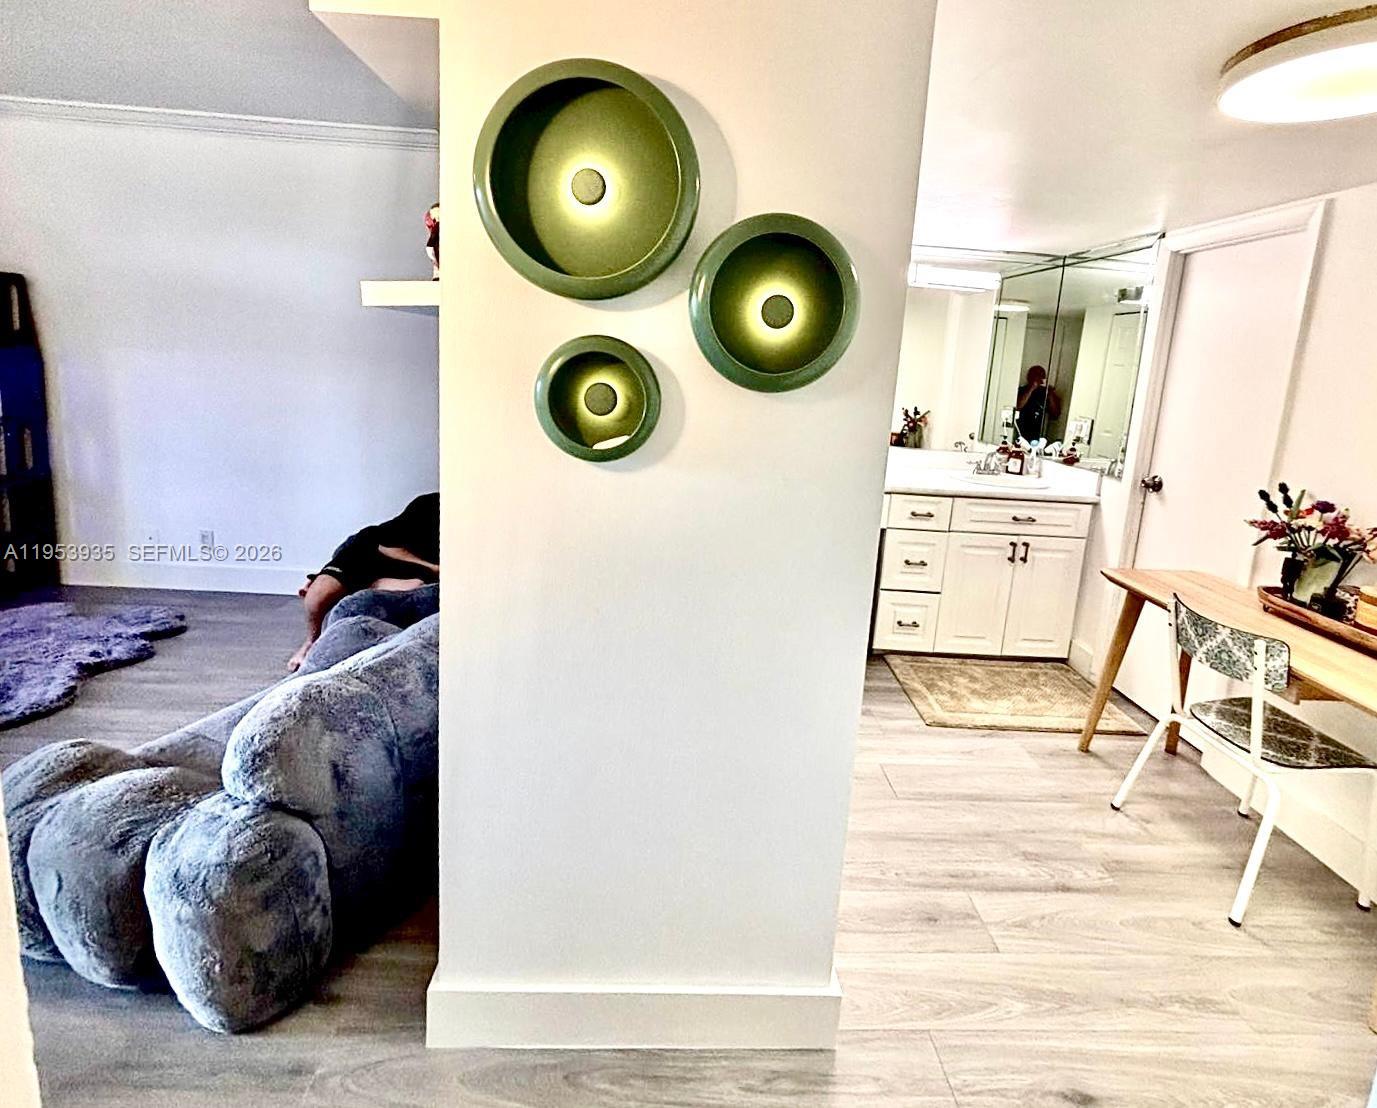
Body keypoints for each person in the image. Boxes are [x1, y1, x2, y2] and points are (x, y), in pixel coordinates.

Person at [288, 492, 439, 671]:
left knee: (415, 588)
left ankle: (371, 585)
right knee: (317, 596)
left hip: (412, 567)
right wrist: (435, 568)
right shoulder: (428, 503)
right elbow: (386, 546)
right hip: (373, 550)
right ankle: (310, 642)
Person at [1014, 365, 1060, 443]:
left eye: (1042, 377)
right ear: (1029, 377)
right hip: (1021, 431)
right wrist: (1032, 388)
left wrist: (1051, 394)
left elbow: (1055, 414)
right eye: (1036, 376)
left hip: (1040, 434)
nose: (1039, 379)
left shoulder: (1046, 393)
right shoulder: (1022, 390)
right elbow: (1018, 406)